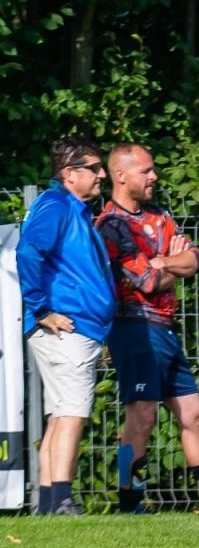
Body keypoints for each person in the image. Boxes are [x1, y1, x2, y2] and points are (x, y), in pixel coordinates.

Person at [93, 144, 199, 512]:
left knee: (195, 415)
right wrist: (171, 263)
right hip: (134, 328)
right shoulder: (111, 224)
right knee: (141, 416)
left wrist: (163, 261)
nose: (154, 177)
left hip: (165, 327)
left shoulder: (160, 216)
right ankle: (129, 503)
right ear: (121, 176)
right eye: (145, 171)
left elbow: (196, 259)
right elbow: (146, 281)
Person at [17, 138, 116, 516]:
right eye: (94, 168)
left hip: (76, 328)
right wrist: (41, 309)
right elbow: (28, 251)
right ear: (69, 173)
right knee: (73, 412)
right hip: (65, 328)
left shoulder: (69, 208)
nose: (102, 174)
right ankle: (61, 500)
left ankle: (48, 503)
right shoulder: (57, 206)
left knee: (60, 414)